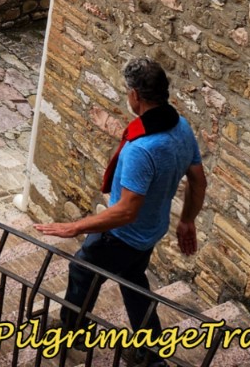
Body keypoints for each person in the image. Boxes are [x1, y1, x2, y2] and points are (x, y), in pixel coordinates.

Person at [33, 57, 206, 361]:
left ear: (135, 95)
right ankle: (149, 353)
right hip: (152, 229)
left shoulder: (142, 149)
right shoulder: (180, 127)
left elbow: (127, 211)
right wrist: (187, 220)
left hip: (122, 235)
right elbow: (198, 180)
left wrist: (75, 227)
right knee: (133, 280)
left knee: (82, 271)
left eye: (128, 91)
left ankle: (73, 333)